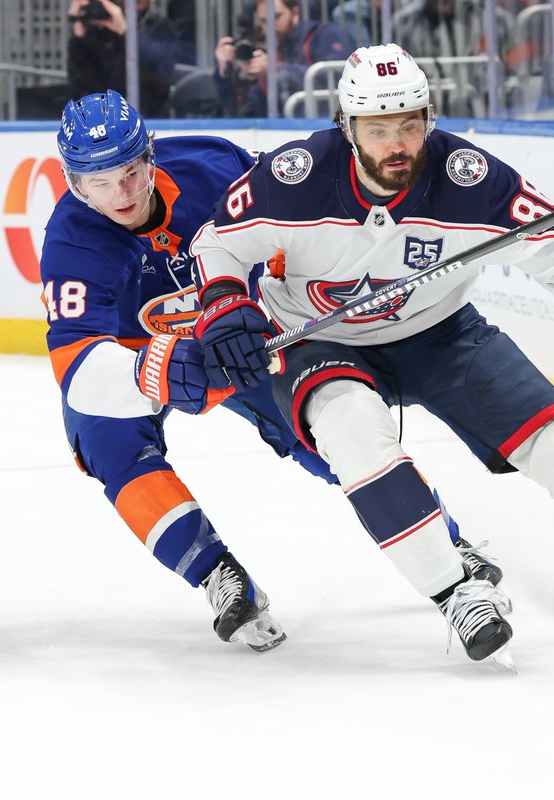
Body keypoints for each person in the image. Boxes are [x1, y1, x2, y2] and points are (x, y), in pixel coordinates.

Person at [189, 44, 554, 665]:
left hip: (442, 333)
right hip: (321, 339)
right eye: (378, 130)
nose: (398, 145)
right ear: (346, 128)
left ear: (430, 118)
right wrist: (224, 303)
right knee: (352, 433)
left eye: (410, 125)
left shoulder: (469, 178)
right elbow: (217, 244)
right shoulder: (293, 178)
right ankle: (457, 593)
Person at [41, 89, 493, 651]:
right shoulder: (71, 242)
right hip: (143, 355)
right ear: (74, 183)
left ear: (150, 154)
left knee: (327, 428)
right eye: (99, 183)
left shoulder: (210, 163)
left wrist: (299, 266)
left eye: (131, 172)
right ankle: (217, 574)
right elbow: (78, 367)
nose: (123, 194)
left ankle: (446, 542)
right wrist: (149, 371)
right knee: (105, 444)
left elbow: (295, 211)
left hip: (241, 333)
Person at [213, 0, 355, 117]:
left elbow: (336, 78)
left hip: (326, 124)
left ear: (295, 13)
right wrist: (224, 71)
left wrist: (275, 69)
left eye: (276, 17)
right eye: (264, 21)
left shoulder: (324, 34)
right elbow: (241, 111)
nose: (270, 26)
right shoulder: (266, 50)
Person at [66, 0, 179, 118]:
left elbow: (162, 69)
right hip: (102, 117)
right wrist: (78, 28)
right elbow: (80, 86)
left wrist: (125, 31)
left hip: (149, 117)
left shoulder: (162, 27)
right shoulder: (100, 30)